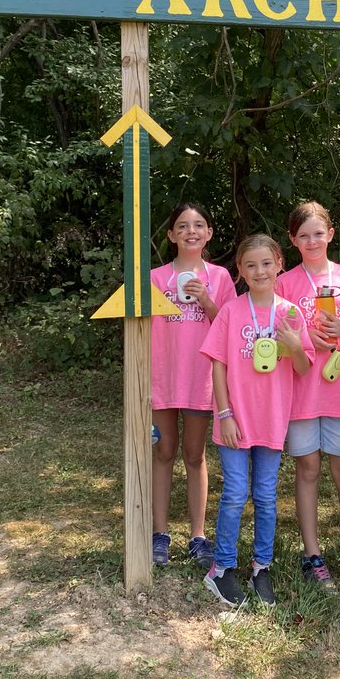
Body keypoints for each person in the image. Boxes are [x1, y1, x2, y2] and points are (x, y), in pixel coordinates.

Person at [200, 234, 314, 607]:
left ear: (280, 263)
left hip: (272, 420)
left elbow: (302, 367)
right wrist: (225, 413)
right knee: (234, 494)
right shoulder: (232, 311)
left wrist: (296, 344)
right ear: (241, 271)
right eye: (251, 265)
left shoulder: (291, 313)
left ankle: (261, 566)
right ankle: (222, 569)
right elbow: (218, 366)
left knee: (265, 495)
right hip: (234, 420)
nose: (259, 271)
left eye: (266, 263)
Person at [277, 201, 340, 593]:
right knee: (307, 470)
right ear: (293, 241)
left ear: (331, 234)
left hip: (338, 393)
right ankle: (312, 554)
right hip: (301, 393)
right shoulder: (285, 282)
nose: (312, 240)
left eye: (318, 233)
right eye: (303, 235)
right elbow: (274, 342)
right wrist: (304, 339)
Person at [149, 203, 236, 569]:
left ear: (209, 233)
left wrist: (205, 298)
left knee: (195, 455)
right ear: (171, 235)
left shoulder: (220, 277)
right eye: (182, 226)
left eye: (198, 225)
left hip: (202, 378)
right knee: (164, 452)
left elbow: (228, 326)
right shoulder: (155, 278)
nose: (191, 231)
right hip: (164, 376)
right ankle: (159, 533)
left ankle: (198, 536)